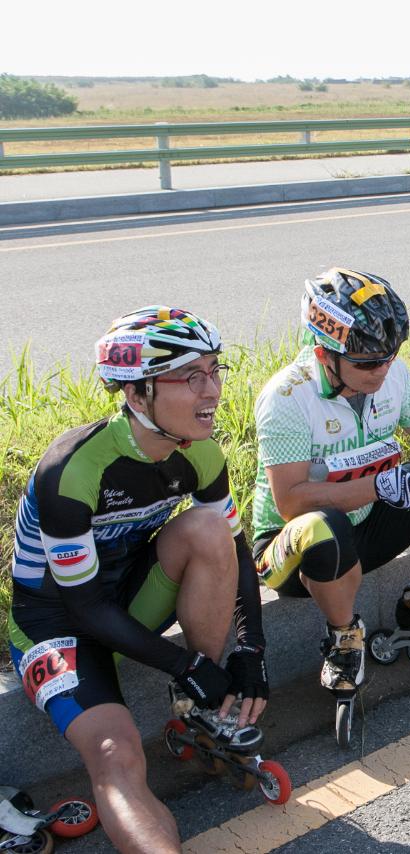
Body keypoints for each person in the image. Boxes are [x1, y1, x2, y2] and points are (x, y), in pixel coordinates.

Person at [8, 307, 267, 854]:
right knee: (114, 752)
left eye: (216, 370)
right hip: (56, 624)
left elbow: (237, 554)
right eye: (191, 376)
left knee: (209, 530)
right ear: (138, 393)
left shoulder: (201, 451)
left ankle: (199, 707)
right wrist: (185, 664)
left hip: (124, 601)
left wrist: (251, 650)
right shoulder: (73, 469)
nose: (213, 390)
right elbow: (81, 608)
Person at [252, 269, 410, 704]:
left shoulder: (389, 374)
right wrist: (381, 485)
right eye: (367, 363)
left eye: (389, 356)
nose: (381, 370)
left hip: (365, 520)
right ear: (324, 353)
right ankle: (343, 636)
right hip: (293, 549)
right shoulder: (287, 399)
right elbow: (291, 502)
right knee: (326, 527)